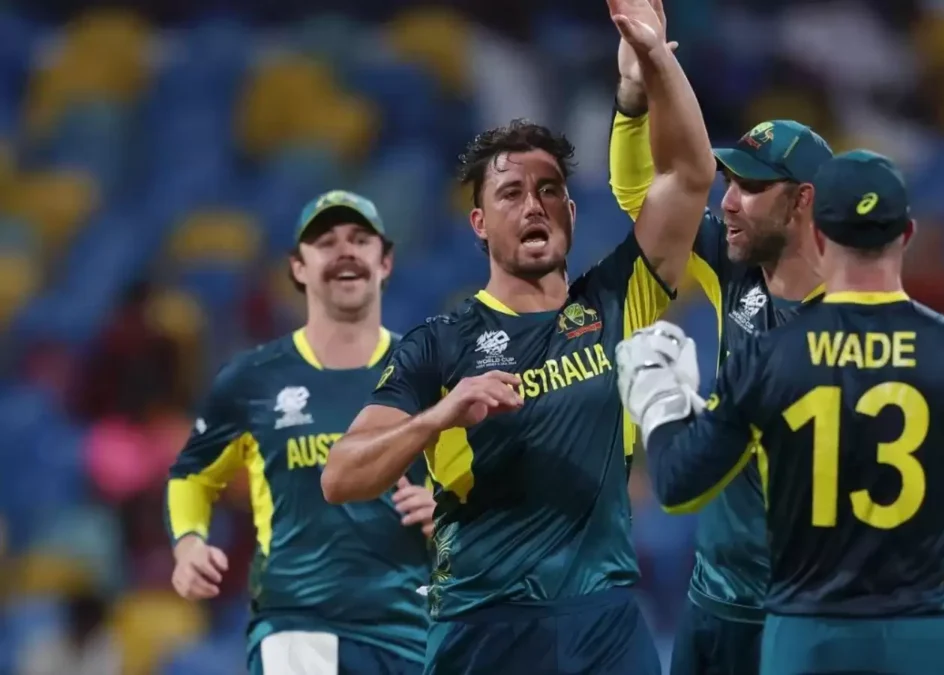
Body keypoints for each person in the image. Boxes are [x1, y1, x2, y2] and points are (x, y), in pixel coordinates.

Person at [320, 1, 714, 673]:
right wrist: (439, 416)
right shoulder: (439, 345)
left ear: (572, 211)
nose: (533, 203)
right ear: (478, 223)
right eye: (510, 193)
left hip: (604, 624)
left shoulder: (617, 300)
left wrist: (648, 69)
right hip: (483, 628)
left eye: (550, 189)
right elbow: (340, 476)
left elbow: (689, 176)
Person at [614, 150, 944, 675]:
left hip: (810, 633)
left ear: (819, 237)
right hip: (927, 633)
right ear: (906, 234)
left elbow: (677, 483)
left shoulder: (767, 358)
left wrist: (660, 396)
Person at [609, 10, 833, 670]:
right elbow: (645, 196)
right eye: (730, 181)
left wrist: (667, 407)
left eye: (753, 187)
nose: (729, 201)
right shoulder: (738, 267)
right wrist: (633, 98)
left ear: (804, 202)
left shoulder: (853, 324)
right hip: (714, 602)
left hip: (800, 614)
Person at [165, 190, 436, 675]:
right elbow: (192, 474)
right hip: (295, 623)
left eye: (360, 239)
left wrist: (451, 514)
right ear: (298, 267)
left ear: (386, 262)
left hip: (409, 631)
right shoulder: (252, 379)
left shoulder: (428, 376)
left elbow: (480, 487)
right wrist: (188, 544)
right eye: (326, 242)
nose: (345, 251)